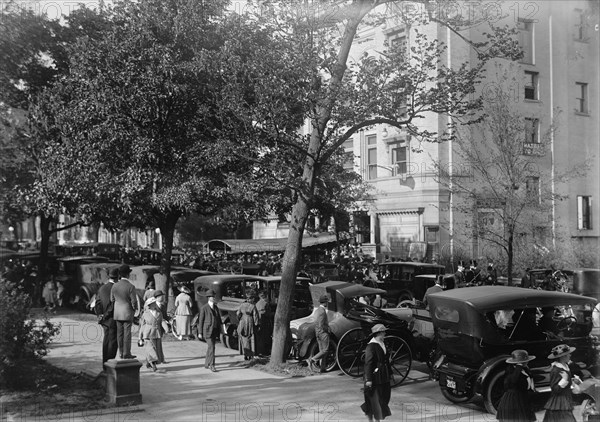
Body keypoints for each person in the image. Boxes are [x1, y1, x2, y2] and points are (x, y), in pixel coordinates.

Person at [361, 324, 392, 422]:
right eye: (383, 332)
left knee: (384, 397)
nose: (385, 334)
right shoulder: (371, 346)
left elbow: (386, 360)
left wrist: (390, 372)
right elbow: (368, 364)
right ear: (379, 333)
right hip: (375, 377)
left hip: (383, 376)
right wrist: (368, 379)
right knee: (374, 400)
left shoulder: (382, 343)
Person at [496, 349, 537, 422]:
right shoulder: (511, 371)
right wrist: (519, 366)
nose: (528, 361)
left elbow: (530, 382)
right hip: (513, 401)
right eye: (525, 360)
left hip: (523, 398)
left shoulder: (525, 369)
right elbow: (512, 381)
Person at [543, 344, 578, 422]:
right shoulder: (556, 370)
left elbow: (565, 383)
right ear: (563, 356)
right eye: (568, 354)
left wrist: (572, 380)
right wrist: (564, 380)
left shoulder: (565, 366)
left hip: (565, 398)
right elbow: (555, 389)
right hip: (559, 402)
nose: (570, 355)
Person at [110, 264, 138, 359]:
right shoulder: (131, 286)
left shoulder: (115, 286)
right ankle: (127, 353)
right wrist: (135, 309)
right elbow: (134, 301)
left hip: (117, 313)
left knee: (120, 333)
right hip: (127, 312)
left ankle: (121, 352)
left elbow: (112, 299)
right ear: (128, 275)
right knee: (127, 333)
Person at [95, 267, 119, 364]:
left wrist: (100, 315)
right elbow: (113, 305)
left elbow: (97, 303)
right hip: (113, 318)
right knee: (113, 342)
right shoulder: (116, 288)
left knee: (106, 340)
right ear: (117, 277)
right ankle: (109, 363)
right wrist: (105, 315)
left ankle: (105, 362)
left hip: (104, 320)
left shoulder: (102, 288)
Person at [198, 289, 222, 372]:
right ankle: (212, 365)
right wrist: (200, 332)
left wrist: (221, 329)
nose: (214, 297)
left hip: (215, 330)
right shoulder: (204, 308)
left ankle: (206, 363)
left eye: (214, 296)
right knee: (212, 347)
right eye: (212, 296)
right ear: (209, 297)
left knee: (210, 347)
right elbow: (200, 321)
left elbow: (219, 319)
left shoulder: (216, 307)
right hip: (207, 331)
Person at [138, 297, 163, 372]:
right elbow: (142, 325)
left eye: (155, 303)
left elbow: (162, 322)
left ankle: (149, 363)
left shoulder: (159, 313)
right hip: (147, 333)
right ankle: (153, 364)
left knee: (156, 349)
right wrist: (140, 337)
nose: (155, 304)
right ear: (150, 305)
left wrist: (166, 328)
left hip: (157, 333)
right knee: (150, 348)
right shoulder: (145, 314)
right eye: (153, 303)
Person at [308, 294, 330, 373]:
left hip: (317, 332)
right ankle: (312, 360)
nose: (327, 303)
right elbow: (321, 324)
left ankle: (322, 368)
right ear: (325, 302)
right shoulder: (322, 311)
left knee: (322, 350)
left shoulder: (318, 310)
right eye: (327, 302)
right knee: (325, 350)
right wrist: (327, 329)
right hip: (323, 333)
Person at [236, 291, 259, 361]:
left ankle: (245, 353)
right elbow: (255, 316)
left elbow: (238, 313)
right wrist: (256, 324)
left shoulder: (242, 305)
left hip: (243, 321)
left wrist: (240, 320)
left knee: (243, 338)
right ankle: (250, 354)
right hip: (249, 322)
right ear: (251, 299)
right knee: (250, 338)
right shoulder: (253, 306)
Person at [255, 290, 271, 357]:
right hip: (264, 322)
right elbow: (265, 313)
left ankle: (260, 351)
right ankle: (264, 351)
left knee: (260, 337)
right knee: (265, 337)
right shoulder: (265, 303)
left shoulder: (257, 303)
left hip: (259, 321)